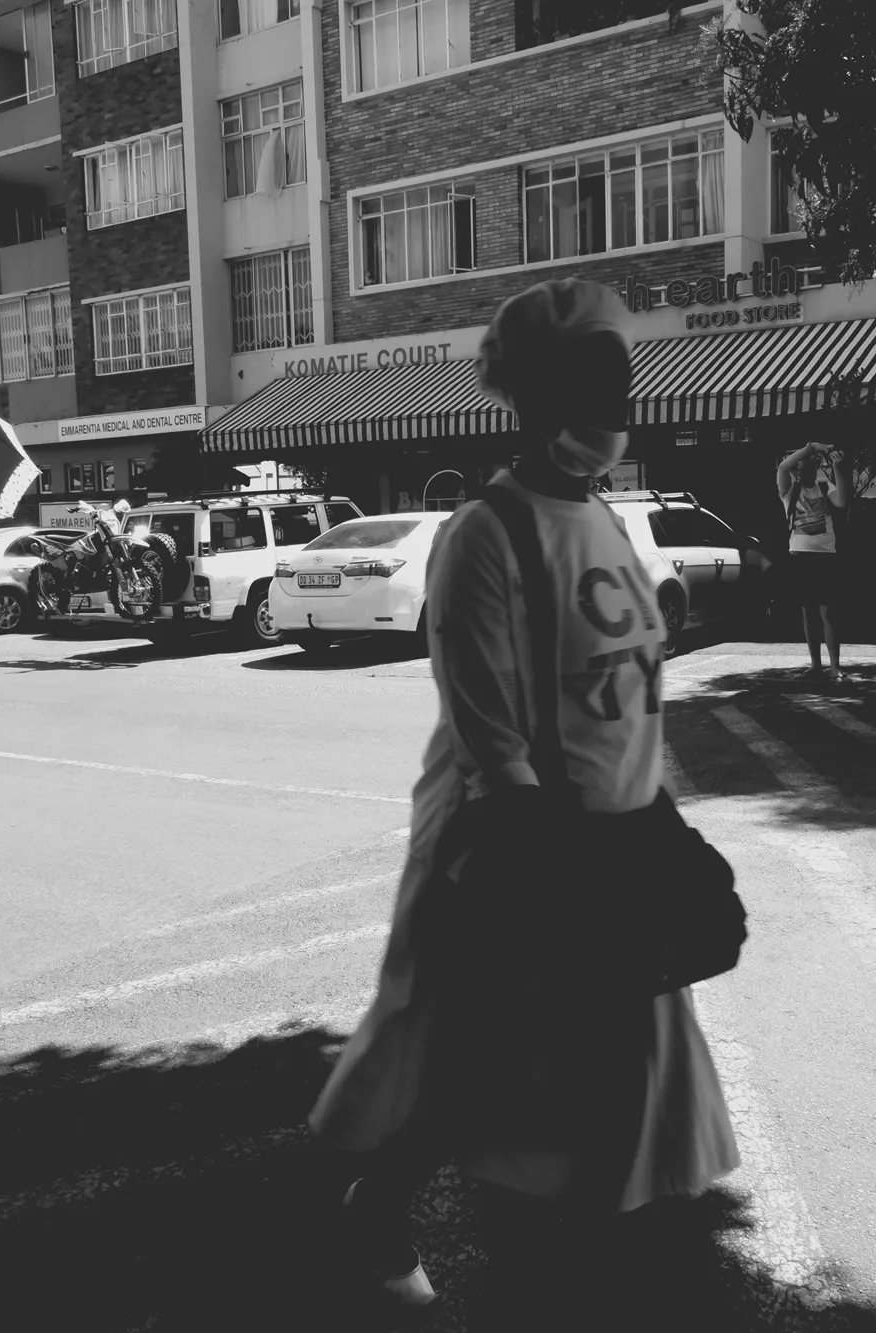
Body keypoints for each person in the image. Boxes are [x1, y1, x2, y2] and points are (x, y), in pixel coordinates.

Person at [309, 279, 738, 1306]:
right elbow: (489, 737)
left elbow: (624, 700)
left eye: (620, 390)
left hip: (616, 839)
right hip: (525, 850)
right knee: (508, 1070)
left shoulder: (604, 521)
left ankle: (473, 1229)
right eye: (592, 391)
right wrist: (574, 863)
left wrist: (658, 819)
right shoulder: (483, 536)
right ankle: (421, 1219)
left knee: (547, 1075)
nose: (614, 412)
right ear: (540, 402)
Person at [776, 441, 849, 680]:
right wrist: (810, 448)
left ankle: (835, 667)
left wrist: (838, 467)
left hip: (825, 557)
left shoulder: (824, 487)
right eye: (800, 467)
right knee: (808, 613)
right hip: (800, 557)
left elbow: (842, 501)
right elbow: (782, 468)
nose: (803, 470)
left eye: (808, 466)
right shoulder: (789, 491)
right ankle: (816, 665)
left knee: (829, 612)